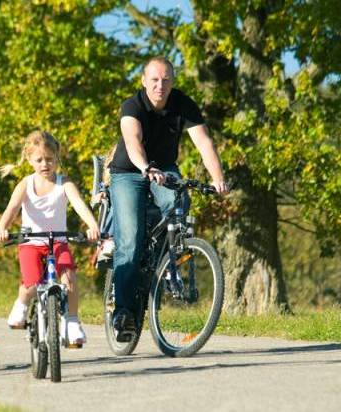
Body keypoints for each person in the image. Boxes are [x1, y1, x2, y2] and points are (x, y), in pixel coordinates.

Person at [108, 56, 229, 342]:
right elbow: (133, 141)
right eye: (154, 80)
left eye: (165, 80)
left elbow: (203, 143)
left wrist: (218, 179)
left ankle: (165, 257)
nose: (160, 86)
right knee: (130, 239)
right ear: (144, 81)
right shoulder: (132, 106)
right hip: (129, 172)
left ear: (172, 82)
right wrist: (145, 168)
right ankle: (123, 312)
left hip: (164, 169)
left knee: (180, 202)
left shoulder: (183, 104)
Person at [0, 130, 100, 347]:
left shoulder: (64, 183)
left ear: (57, 159)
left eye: (49, 159)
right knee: (32, 283)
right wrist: (2, 227)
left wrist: (92, 225)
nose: (45, 164)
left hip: (58, 242)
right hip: (31, 243)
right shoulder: (25, 183)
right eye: (39, 159)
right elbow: (12, 208)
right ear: (30, 159)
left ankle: (71, 321)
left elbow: (79, 204)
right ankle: (22, 304)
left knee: (69, 278)